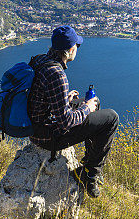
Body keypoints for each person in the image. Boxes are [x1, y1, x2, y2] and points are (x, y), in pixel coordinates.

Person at [27, 25, 119, 198]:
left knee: (93, 103)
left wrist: (65, 100)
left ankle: (88, 165)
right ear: (70, 50)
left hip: (37, 127)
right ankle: (89, 174)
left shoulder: (39, 60)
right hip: (48, 137)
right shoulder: (57, 73)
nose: (77, 49)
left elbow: (38, 98)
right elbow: (65, 121)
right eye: (77, 46)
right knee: (111, 118)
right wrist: (87, 108)